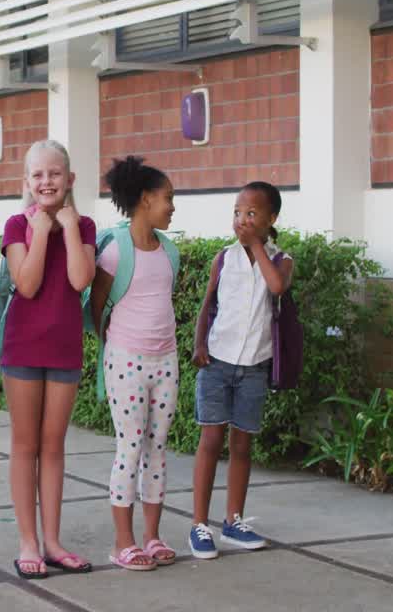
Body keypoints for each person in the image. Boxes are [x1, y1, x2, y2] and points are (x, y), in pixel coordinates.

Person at [0, 140, 96, 579]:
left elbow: (79, 279)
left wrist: (70, 229)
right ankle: (28, 541)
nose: (46, 182)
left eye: (54, 174)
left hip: (63, 349)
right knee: (26, 446)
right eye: (37, 175)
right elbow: (28, 284)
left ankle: (53, 542)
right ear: (27, 182)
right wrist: (41, 230)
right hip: (22, 346)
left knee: (54, 448)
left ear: (69, 180)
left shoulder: (87, 226)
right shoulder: (17, 224)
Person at [189, 181, 294, 560]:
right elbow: (207, 304)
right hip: (217, 364)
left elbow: (277, 286)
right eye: (237, 212)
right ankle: (199, 524)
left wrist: (255, 247)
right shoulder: (223, 258)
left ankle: (233, 520)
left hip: (253, 368)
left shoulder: (281, 260)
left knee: (242, 445)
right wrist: (199, 344)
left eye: (251, 214)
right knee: (210, 442)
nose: (242, 220)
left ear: (271, 219)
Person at [90, 156, 181, 572]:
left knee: (157, 449)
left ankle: (153, 536)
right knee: (129, 447)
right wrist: (111, 343)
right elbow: (96, 306)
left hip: (166, 361)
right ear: (145, 200)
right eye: (168, 198)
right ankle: (123, 541)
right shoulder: (115, 249)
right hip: (126, 360)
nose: (172, 207)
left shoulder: (171, 252)